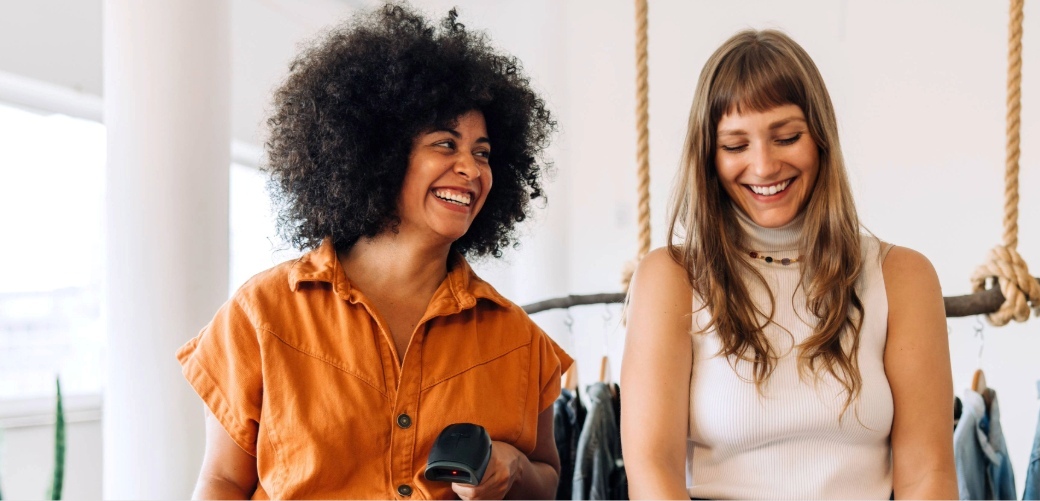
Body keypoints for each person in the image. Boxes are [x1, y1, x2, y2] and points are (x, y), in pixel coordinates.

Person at [176, 4, 568, 499]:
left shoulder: (520, 342)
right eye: (446, 144)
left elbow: (549, 481)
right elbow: (224, 481)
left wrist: (513, 468)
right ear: (378, 152)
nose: (471, 168)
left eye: (483, 152)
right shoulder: (262, 316)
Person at [621, 29, 958, 499]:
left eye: (786, 137)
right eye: (736, 146)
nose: (763, 166)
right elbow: (652, 469)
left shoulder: (902, 276)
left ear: (820, 138)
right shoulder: (672, 278)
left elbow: (929, 475)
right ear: (708, 156)